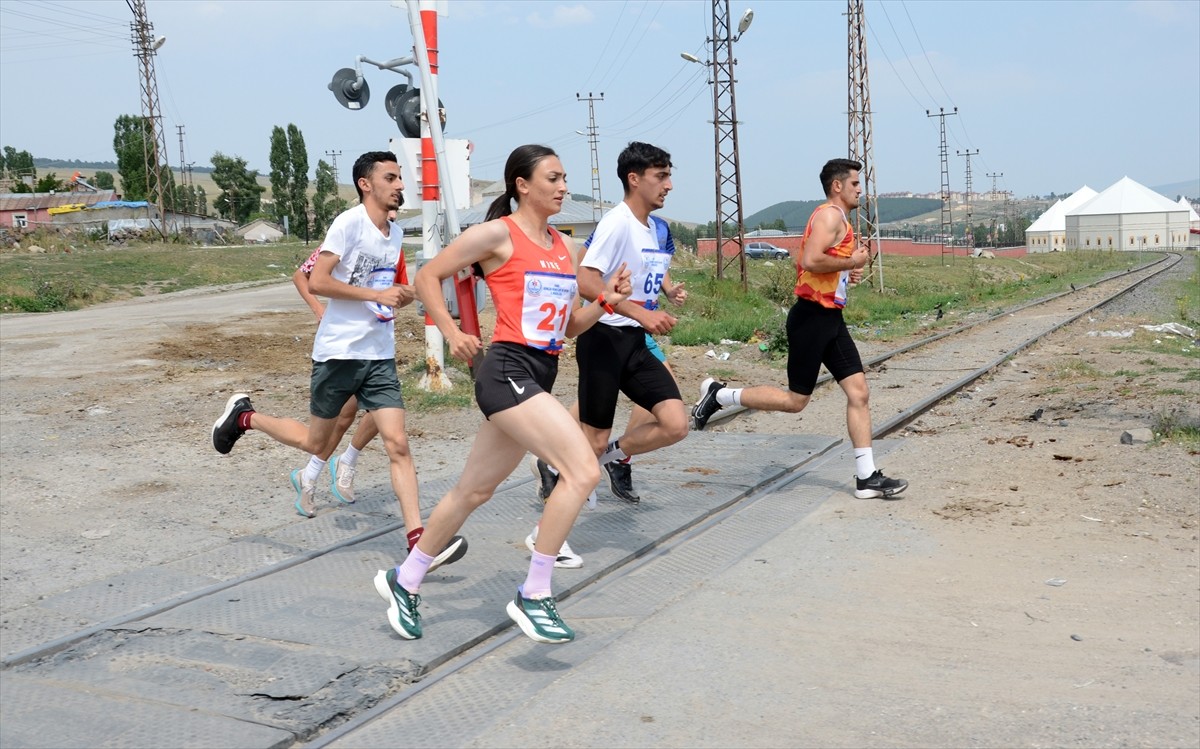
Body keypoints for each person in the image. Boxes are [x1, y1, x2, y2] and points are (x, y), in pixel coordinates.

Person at [373, 144, 632, 644]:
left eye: (564, 178)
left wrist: (606, 302)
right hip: (506, 370)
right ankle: (535, 593)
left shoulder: (566, 248)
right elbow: (428, 274)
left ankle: (404, 581)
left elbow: (567, 327)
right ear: (522, 185)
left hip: (539, 371)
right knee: (582, 470)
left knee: (473, 491)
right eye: (553, 178)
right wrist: (450, 333)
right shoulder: (497, 234)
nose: (563, 187)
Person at [211, 150, 467, 570]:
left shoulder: (397, 235)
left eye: (401, 178)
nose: (400, 185)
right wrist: (374, 295)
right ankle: (245, 417)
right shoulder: (348, 224)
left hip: (378, 354)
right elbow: (317, 280)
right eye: (391, 177)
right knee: (317, 442)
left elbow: (385, 288)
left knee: (398, 444)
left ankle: (417, 542)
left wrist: (401, 296)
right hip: (338, 353)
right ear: (366, 184)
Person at [690, 157, 908, 500]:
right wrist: (852, 262)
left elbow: (823, 266)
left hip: (830, 319)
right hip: (810, 319)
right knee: (795, 401)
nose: (859, 191)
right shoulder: (828, 216)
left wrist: (846, 274)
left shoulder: (842, 221)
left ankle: (866, 477)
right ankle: (719, 395)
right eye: (854, 184)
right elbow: (808, 258)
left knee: (859, 392)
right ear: (837, 186)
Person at [528, 142, 689, 530]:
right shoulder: (617, 222)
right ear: (634, 179)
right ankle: (548, 535)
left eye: (669, 176)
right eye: (661, 176)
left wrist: (660, 299)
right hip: (604, 340)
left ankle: (608, 458)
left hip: (633, 342)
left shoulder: (653, 227)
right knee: (591, 440)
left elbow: (643, 277)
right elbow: (585, 278)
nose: (669, 185)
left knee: (675, 424)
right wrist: (639, 312)